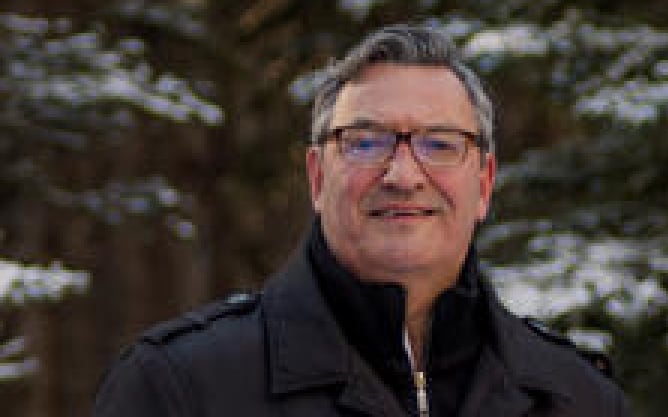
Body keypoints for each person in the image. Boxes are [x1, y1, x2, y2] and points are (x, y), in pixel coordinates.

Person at [94, 24, 629, 417]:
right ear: (317, 178)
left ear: (484, 184)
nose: (402, 174)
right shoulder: (179, 389)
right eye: (366, 142)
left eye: (439, 144)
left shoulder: (577, 398)